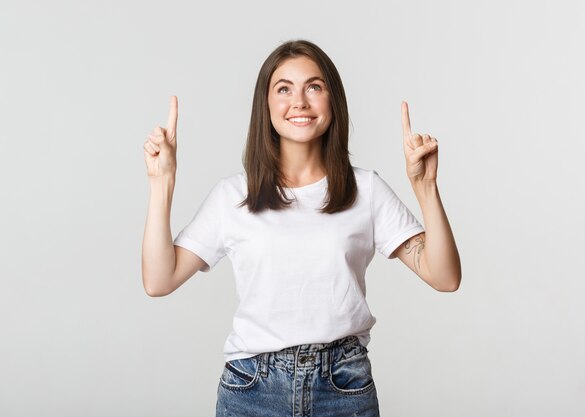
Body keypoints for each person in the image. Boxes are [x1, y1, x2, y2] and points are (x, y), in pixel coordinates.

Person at [141, 39, 461, 417]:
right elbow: (159, 281)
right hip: (252, 390)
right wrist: (162, 184)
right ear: (266, 105)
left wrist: (426, 189)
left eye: (314, 86)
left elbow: (444, 277)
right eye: (283, 89)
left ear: (332, 100)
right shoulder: (233, 196)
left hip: (344, 387)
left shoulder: (366, 190)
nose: (300, 102)